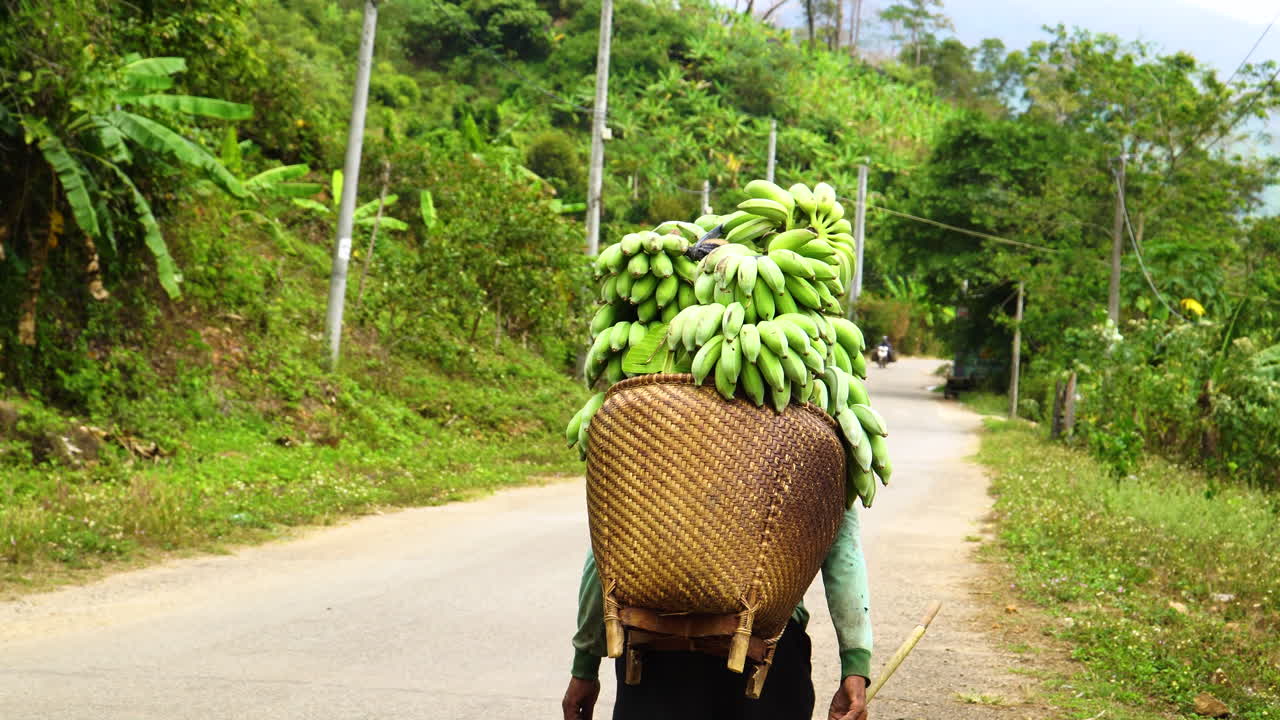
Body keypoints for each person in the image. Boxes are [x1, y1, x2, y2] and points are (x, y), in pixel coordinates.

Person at [561, 505, 873, 720]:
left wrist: (585, 667)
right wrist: (855, 666)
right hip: (765, 651)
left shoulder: (651, 421)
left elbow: (606, 550)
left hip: (656, 651)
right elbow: (843, 551)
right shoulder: (811, 429)